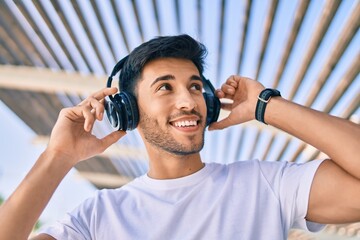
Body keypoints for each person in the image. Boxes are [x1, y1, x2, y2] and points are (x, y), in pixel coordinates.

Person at [0, 34, 359, 240]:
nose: (188, 101)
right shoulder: (97, 218)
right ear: (128, 110)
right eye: (165, 88)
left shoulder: (266, 184)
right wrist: (58, 156)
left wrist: (267, 106)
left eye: (195, 86)